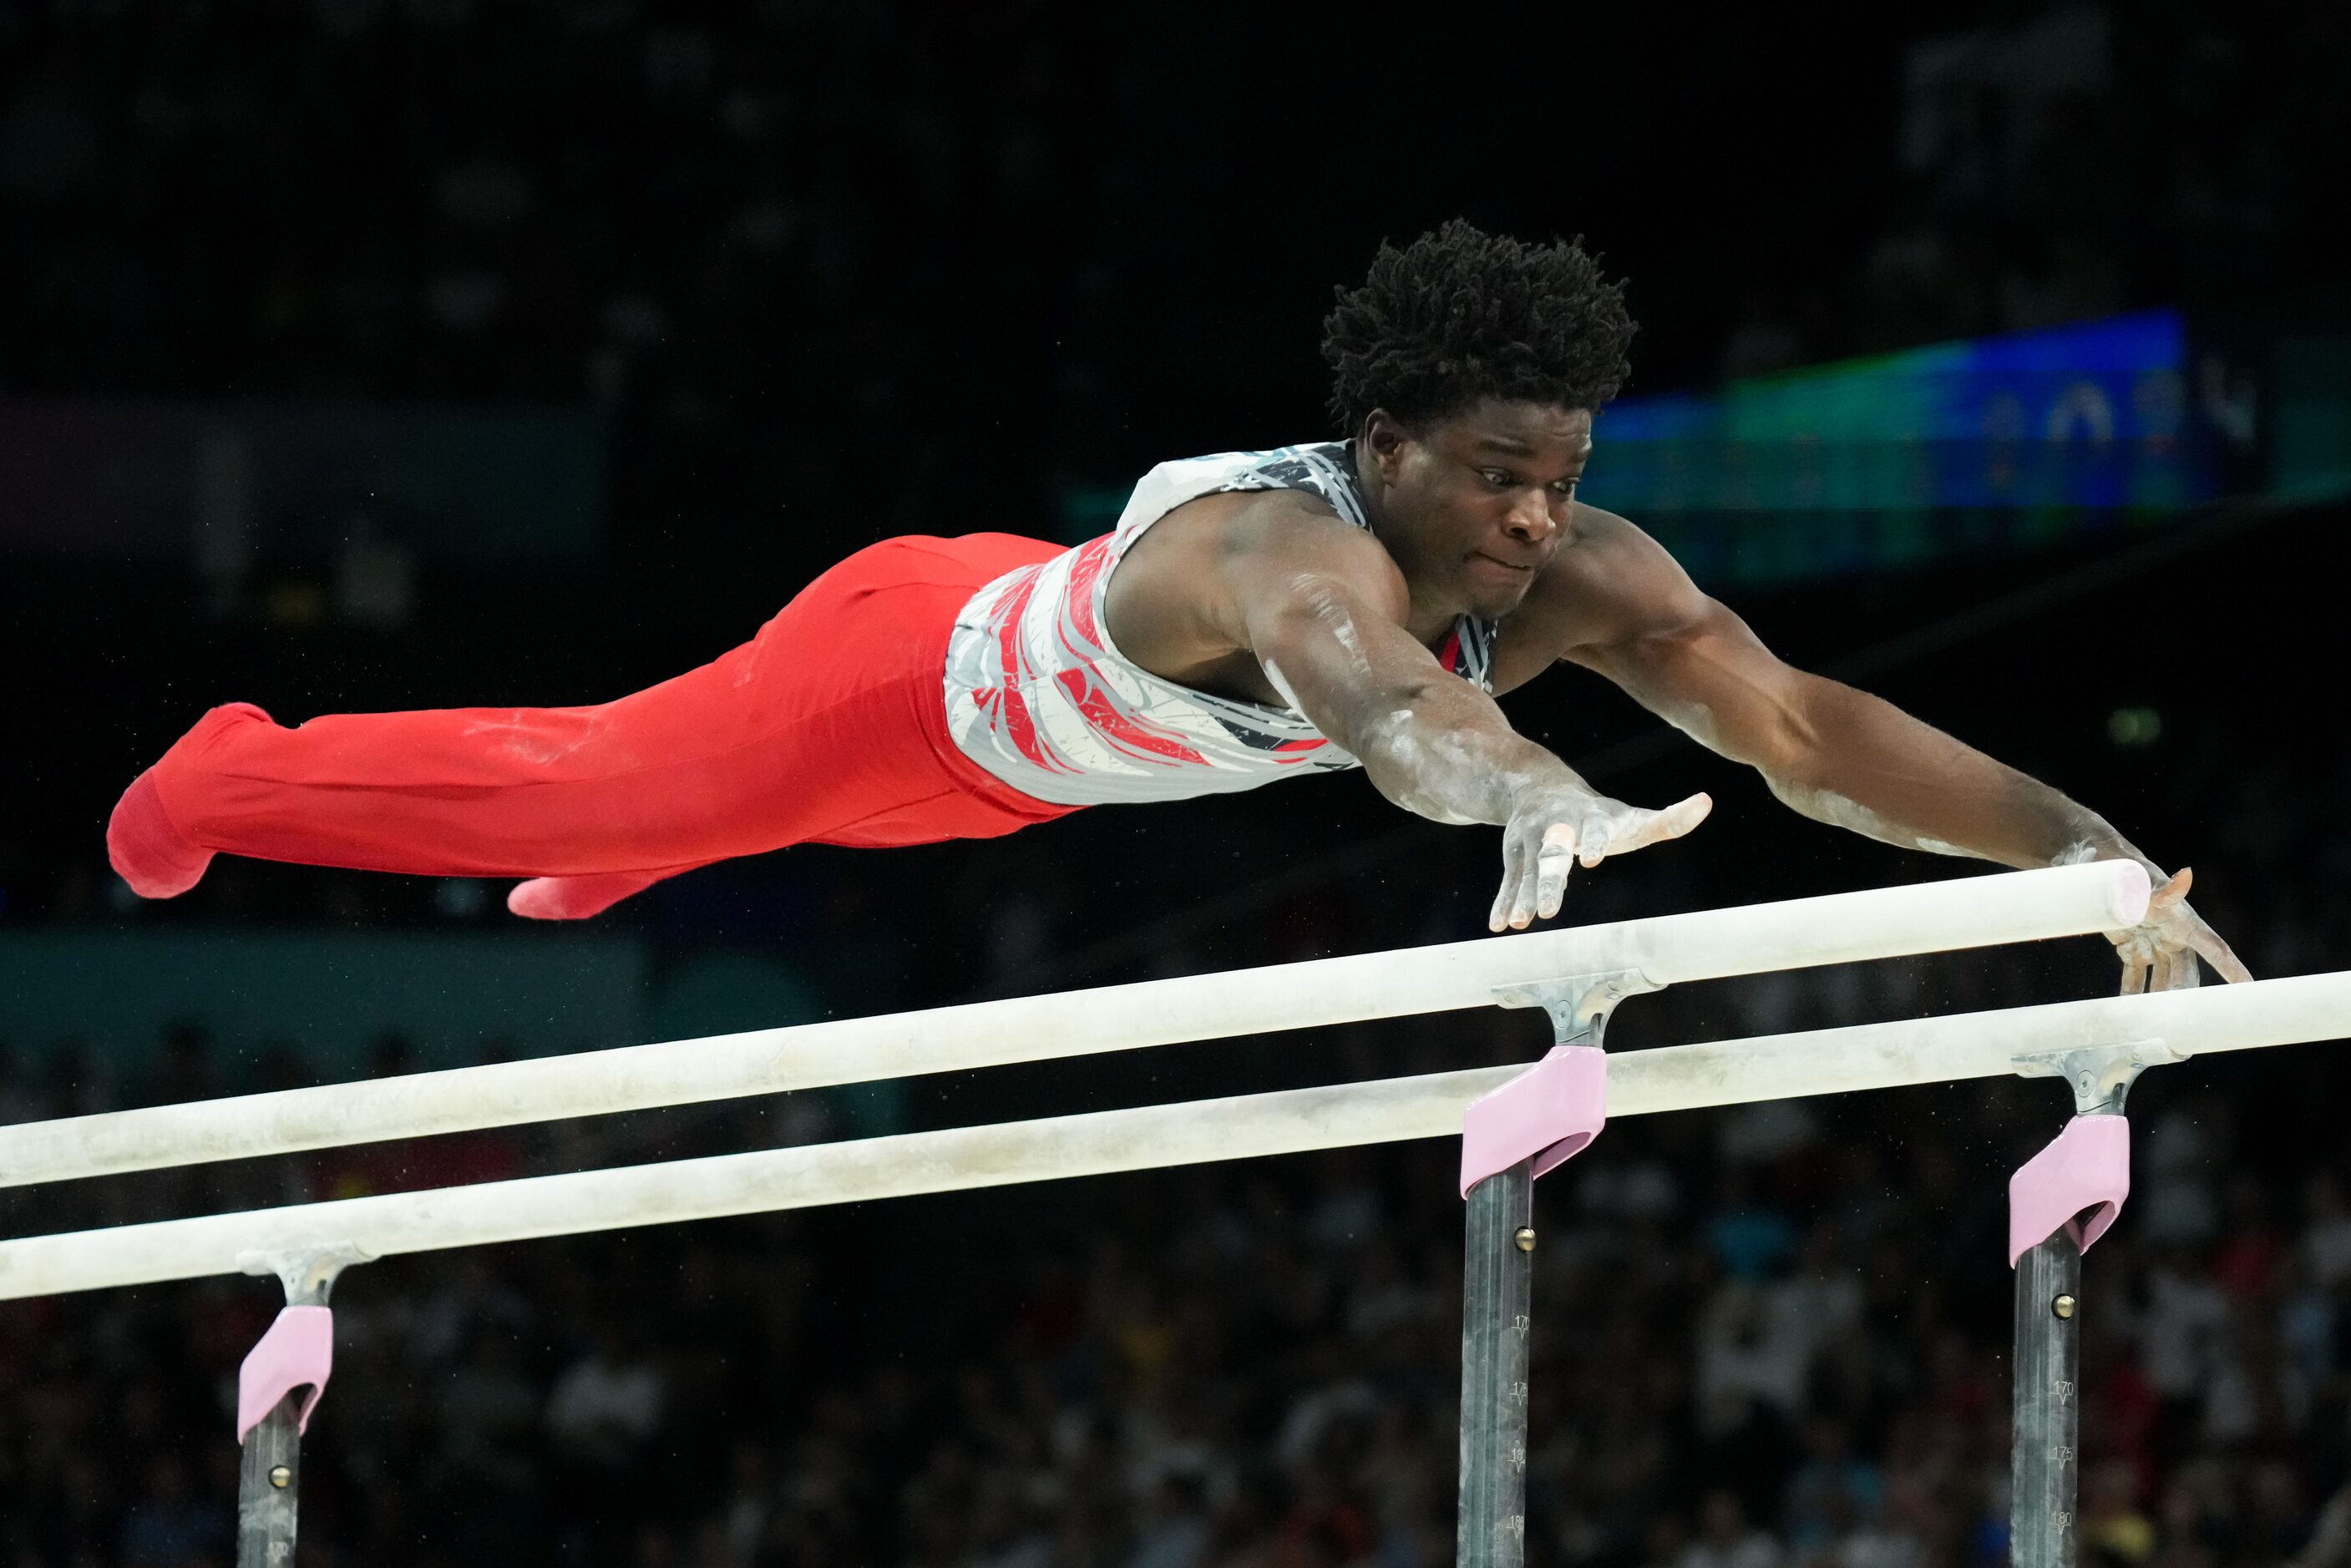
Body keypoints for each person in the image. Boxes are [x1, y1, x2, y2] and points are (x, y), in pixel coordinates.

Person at [107, 221, 2242, 993]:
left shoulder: (1577, 570)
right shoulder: (1280, 551)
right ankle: (237, 773)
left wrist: (2080, 860)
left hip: (1018, 782)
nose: (1531, 523)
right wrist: (1524, 794)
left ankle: (656, 837)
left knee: (690, 818)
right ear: (1386, 439)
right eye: (1496, 477)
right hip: (892, 681)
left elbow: (1804, 733)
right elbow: (1397, 711)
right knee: (576, 788)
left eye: (1560, 481)